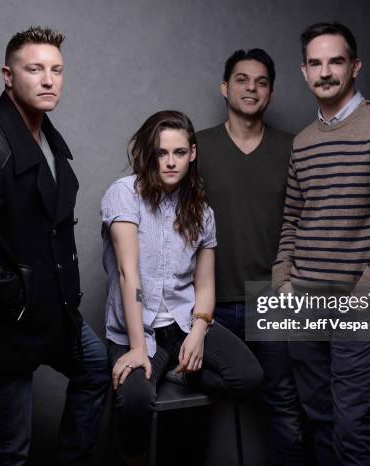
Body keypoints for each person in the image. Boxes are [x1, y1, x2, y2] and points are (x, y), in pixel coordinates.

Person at [0, 26, 109, 465]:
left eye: (56, 70)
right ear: (8, 76)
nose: (49, 80)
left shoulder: (47, 138)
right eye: (34, 69)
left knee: (96, 368)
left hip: (50, 314)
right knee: (9, 449)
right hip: (6, 324)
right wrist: (21, 298)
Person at [272, 22, 370, 465]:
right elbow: (293, 219)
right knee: (317, 419)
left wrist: (365, 293)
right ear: (303, 72)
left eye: (335, 61)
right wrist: (283, 282)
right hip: (304, 305)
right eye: (315, 63)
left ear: (355, 66)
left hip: (358, 307)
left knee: (353, 427)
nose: (325, 72)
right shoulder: (302, 143)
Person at [100, 110, 263, 465]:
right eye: (161, 153)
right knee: (136, 401)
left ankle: (181, 375)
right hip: (137, 330)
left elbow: (205, 284)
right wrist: (139, 347)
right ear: (148, 153)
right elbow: (130, 275)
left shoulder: (202, 212)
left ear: (192, 154)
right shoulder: (124, 194)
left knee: (248, 377)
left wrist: (199, 331)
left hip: (184, 323)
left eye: (179, 152)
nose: (170, 162)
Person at [197, 49, 305, 465]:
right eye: (241, 79)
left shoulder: (293, 148)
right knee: (196, 409)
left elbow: (309, 219)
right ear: (225, 88)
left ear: (271, 94)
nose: (251, 88)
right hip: (208, 304)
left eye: (261, 82)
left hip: (273, 298)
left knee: (283, 405)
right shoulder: (197, 147)